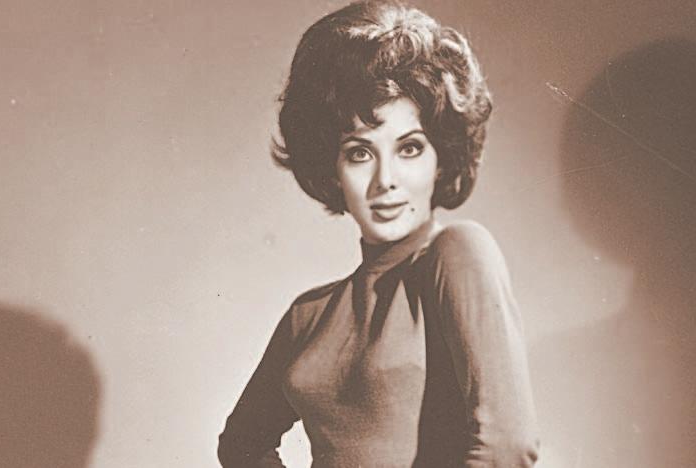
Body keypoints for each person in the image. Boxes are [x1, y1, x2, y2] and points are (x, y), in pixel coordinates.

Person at [218, 1, 539, 466]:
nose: (385, 180)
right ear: (332, 169)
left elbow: (507, 447)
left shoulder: (457, 255)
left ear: (440, 159)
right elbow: (240, 444)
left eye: (409, 148)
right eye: (359, 153)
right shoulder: (307, 316)